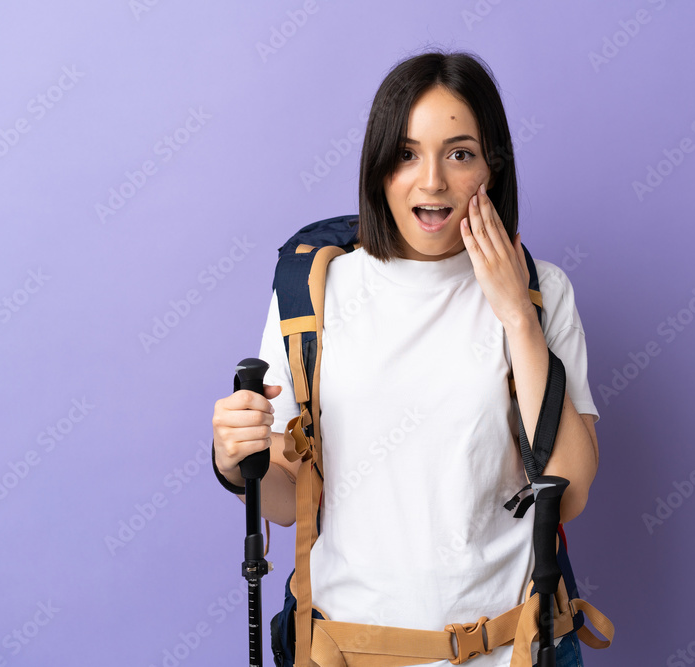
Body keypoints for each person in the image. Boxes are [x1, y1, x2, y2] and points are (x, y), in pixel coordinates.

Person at [212, 50, 600, 667]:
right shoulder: (314, 293)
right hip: (345, 651)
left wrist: (518, 321)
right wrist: (236, 465)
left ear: (491, 169)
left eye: (460, 153)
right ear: (378, 168)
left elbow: (571, 493)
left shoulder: (540, 291)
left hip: (508, 651)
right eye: (406, 153)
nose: (432, 182)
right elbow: (286, 503)